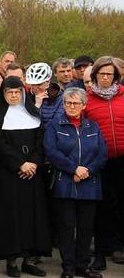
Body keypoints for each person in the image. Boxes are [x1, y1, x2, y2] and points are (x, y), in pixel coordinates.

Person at [0, 76, 51, 277]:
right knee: (11, 217)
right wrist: (19, 163)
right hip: (9, 174)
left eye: (17, 92)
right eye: (9, 92)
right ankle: (12, 261)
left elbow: (41, 140)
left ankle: (29, 259)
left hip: (33, 173)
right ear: (3, 94)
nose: (13, 96)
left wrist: (33, 162)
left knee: (33, 215)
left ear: (23, 92)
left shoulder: (32, 113)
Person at [44, 87, 107, 278]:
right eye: (68, 103)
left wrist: (87, 170)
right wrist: (74, 169)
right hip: (65, 183)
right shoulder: (55, 125)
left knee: (86, 227)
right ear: (63, 105)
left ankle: (83, 265)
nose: (71, 106)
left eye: (76, 103)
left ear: (84, 105)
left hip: (90, 184)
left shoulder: (93, 127)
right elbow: (51, 151)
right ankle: (68, 266)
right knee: (66, 226)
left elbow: (102, 153)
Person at [84, 56, 124, 270]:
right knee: (101, 206)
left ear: (116, 76)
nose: (106, 78)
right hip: (99, 161)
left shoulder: (123, 96)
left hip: (123, 159)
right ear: (95, 76)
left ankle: (118, 246)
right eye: (102, 74)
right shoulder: (88, 99)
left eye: (110, 74)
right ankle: (100, 251)